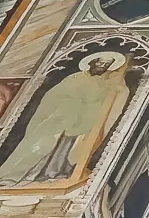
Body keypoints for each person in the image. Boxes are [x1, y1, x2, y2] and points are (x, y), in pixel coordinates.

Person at [0, 51, 132, 188]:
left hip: (84, 120)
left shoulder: (108, 82)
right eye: (100, 62)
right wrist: (66, 107)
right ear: (92, 62)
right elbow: (54, 95)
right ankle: (23, 175)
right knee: (41, 144)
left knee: (66, 149)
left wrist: (117, 87)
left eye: (106, 64)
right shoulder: (74, 78)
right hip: (59, 117)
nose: (102, 66)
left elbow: (116, 95)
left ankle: (56, 172)